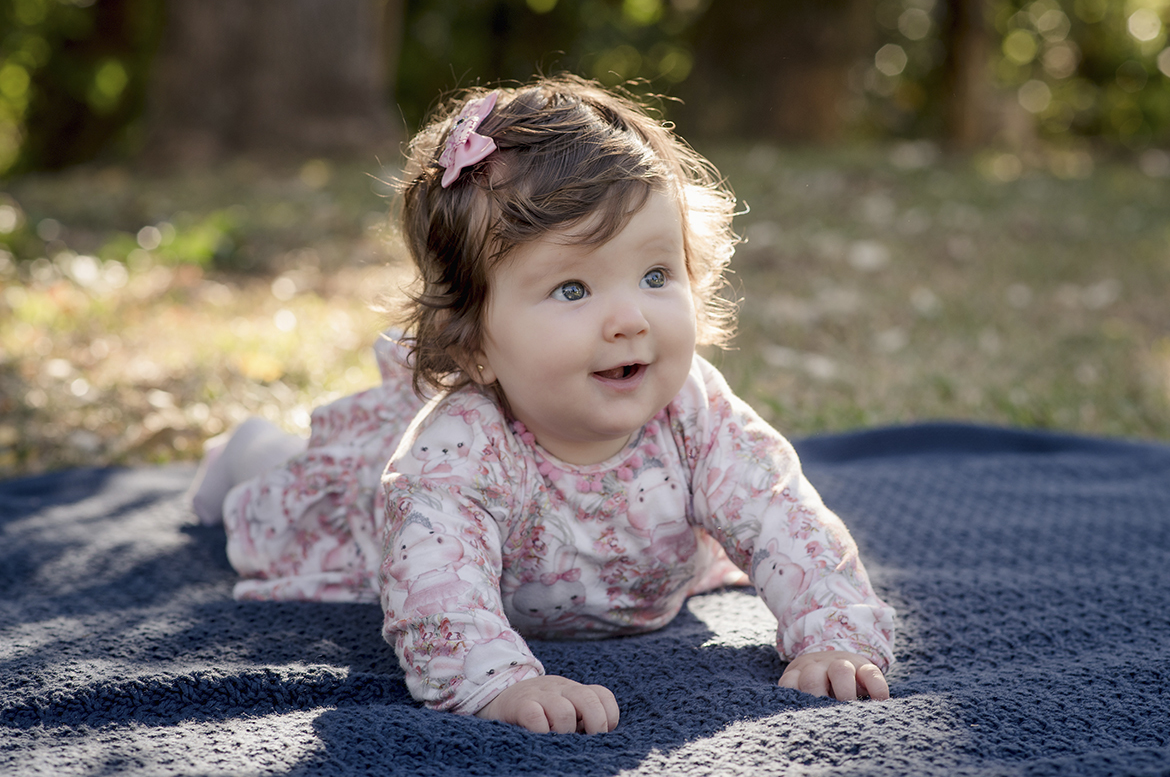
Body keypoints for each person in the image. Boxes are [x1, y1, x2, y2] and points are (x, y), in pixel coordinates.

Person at [189, 75, 895, 735]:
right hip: (385, 520)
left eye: (655, 274)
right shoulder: (460, 448)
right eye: (572, 289)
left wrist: (834, 632)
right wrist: (499, 683)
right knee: (299, 490)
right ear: (472, 345)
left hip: (632, 579)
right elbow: (437, 594)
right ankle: (245, 453)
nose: (629, 319)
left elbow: (785, 517)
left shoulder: (695, 411)